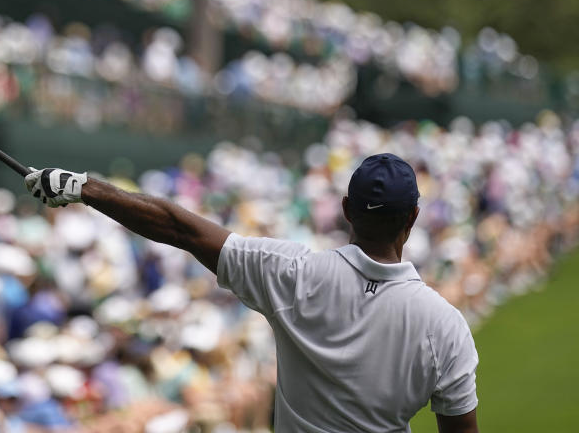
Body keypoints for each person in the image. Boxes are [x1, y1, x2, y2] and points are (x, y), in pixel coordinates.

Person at [25, 154, 480, 433]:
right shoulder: (446, 327)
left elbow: (178, 227)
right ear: (414, 217)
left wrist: (82, 187)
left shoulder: (291, 273)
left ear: (346, 210)